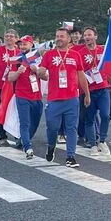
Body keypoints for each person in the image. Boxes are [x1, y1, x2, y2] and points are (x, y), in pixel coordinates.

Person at [40, 28, 91, 167]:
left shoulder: (75, 55)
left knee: (71, 128)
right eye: (57, 36)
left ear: (69, 39)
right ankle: (51, 146)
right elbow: (42, 71)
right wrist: (41, 73)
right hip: (54, 99)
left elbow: (81, 75)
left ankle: (71, 156)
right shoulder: (49, 55)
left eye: (62, 36)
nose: (59, 38)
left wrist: (86, 94)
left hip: (72, 98)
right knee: (52, 127)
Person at [79, 27, 111, 156]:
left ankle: (103, 141)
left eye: (89, 35)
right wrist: (85, 93)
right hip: (89, 89)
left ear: (95, 37)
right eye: (85, 35)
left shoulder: (102, 50)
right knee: (90, 118)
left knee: (105, 115)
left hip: (103, 88)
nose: (87, 37)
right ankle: (93, 144)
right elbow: (80, 74)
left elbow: (108, 67)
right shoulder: (81, 53)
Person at [7, 35, 44, 159]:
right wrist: (18, 72)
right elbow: (10, 78)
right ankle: (27, 147)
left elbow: (46, 77)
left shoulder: (38, 58)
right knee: (25, 122)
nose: (22, 46)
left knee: (35, 121)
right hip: (22, 95)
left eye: (25, 44)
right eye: (20, 44)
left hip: (36, 95)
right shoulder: (16, 59)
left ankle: (24, 138)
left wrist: (37, 70)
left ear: (31, 45)